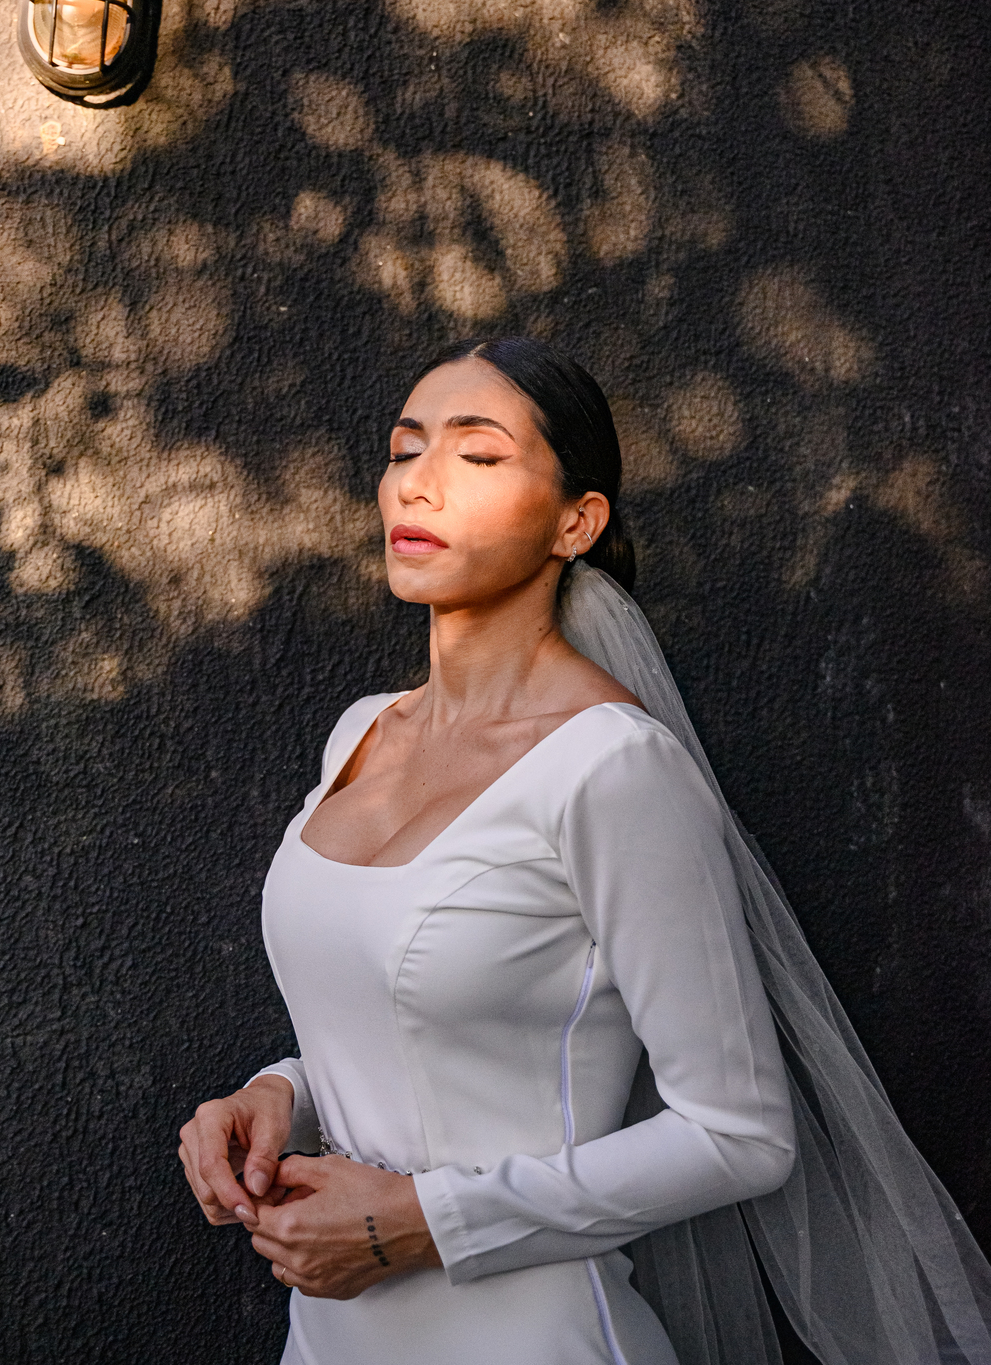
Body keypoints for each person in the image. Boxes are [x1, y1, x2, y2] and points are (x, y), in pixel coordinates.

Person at [179, 336, 991, 1365]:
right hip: (330, 1339)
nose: (418, 484)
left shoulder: (613, 768)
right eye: (404, 448)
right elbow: (420, 1028)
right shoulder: (360, 734)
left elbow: (740, 1134)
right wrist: (280, 1097)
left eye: (478, 455)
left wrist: (425, 1222)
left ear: (578, 522)